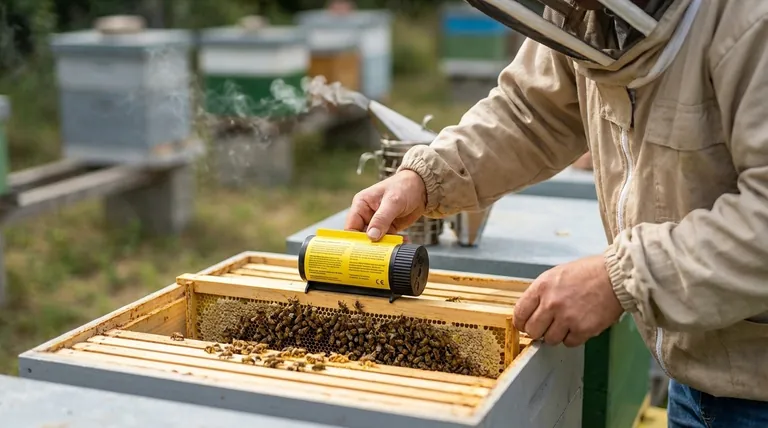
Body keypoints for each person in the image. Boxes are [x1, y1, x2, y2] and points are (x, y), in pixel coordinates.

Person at [343, 1, 768, 426]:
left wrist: (617, 278)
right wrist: (427, 178)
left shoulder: (749, 20)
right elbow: (529, 114)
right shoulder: (580, 11)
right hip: (694, 373)